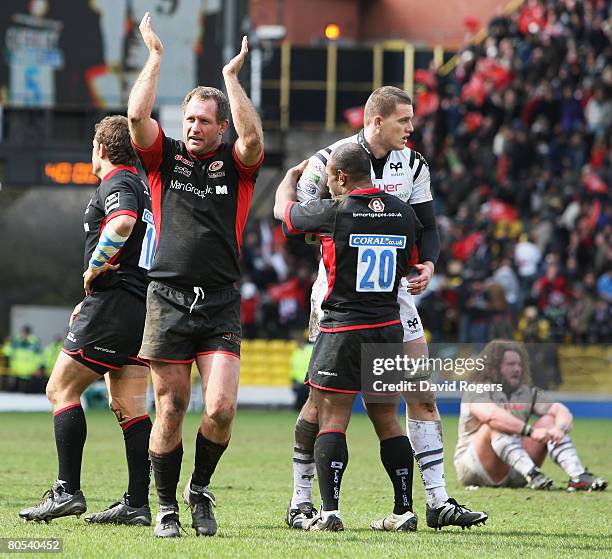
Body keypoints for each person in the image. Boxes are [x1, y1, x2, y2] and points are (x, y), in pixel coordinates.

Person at [286, 86, 486, 531]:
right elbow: (302, 222)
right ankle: (301, 498)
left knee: (420, 393)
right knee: (322, 406)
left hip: (394, 297)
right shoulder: (327, 159)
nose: (411, 129)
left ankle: (437, 502)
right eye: (404, 121)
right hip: (337, 296)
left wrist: (430, 262)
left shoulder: (413, 164)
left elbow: (428, 226)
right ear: (376, 121)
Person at [127, 12, 263, 538]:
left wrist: (231, 81)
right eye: (189, 119)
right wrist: (156, 57)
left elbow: (252, 138)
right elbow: (137, 118)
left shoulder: (237, 163)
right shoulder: (164, 161)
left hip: (221, 300)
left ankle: (199, 488)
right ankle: (164, 507)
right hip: (167, 297)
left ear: (220, 126)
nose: (193, 128)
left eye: (204, 121)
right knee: (171, 406)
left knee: (223, 408)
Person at [274, 143, 423, 531]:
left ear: (340, 176)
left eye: (330, 180)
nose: (329, 185)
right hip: (388, 329)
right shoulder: (404, 212)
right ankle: (404, 510)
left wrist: (291, 177)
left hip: (343, 327)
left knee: (333, 417)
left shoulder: (335, 211)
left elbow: (284, 214)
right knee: (388, 419)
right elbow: (409, 263)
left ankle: (331, 511)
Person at [19, 115, 154, 525]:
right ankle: (137, 504)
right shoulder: (143, 188)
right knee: (130, 406)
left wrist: (94, 267)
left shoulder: (118, 184)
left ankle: (67, 491)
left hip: (113, 303)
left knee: (59, 389)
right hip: (138, 306)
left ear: (100, 149)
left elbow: (122, 222)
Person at [454, 339, 608, 491]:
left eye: (519, 364)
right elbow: (492, 416)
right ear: (493, 368)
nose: (517, 369)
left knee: (550, 420)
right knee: (497, 423)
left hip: (517, 469)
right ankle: (532, 473)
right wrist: (532, 432)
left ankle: (578, 476)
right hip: (475, 469)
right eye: (510, 364)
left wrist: (559, 429)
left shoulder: (526, 393)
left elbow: (561, 410)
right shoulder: (476, 390)